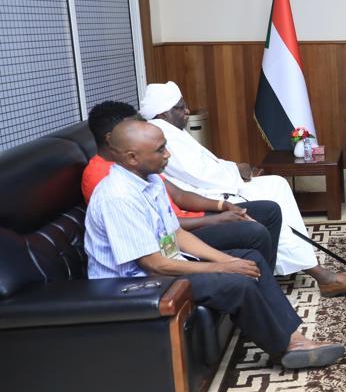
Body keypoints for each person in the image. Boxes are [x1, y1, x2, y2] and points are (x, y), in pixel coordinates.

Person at [85, 120, 346, 369]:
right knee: (237, 281)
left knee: (251, 259)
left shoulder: (149, 180)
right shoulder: (118, 197)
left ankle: (291, 337)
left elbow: (176, 234)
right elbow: (155, 265)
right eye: (160, 149)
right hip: (133, 285)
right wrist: (222, 267)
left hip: (164, 265)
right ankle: (284, 347)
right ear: (132, 157)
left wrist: (228, 260)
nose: (168, 154)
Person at [139, 81, 346, 297]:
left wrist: (236, 168)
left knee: (277, 184)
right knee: (270, 204)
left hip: (217, 186)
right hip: (207, 195)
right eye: (180, 107)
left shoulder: (171, 130)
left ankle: (290, 263)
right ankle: (320, 275)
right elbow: (201, 175)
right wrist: (237, 172)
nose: (187, 111)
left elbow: (207, 164)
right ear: (163, 114)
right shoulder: (163, 133)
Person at [83, 101, 282, 269]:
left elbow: (179, 195)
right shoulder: (108, 181)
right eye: (134, 129)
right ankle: (256, 278)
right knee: (254, 232)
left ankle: (263, 280)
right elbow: (157, 233)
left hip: (180, 228)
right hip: (170, 241)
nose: (141, 130)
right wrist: (215, 221)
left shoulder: (138, 168)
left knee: (269, 211)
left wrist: (222, 206)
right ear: (112, 138)